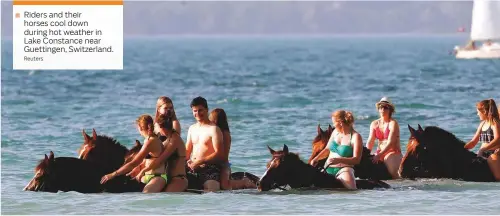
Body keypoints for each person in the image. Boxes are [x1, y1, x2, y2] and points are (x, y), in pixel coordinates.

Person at [101, 114, 167, 193]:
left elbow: (134, 163)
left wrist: (113, 174)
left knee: (146, 199)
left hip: (157, 177)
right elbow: (148, 160)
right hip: (147, 176)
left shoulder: (151, 141)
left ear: (140, 127)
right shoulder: (148, 140)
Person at [129, 114, 188, 192]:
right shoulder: (166, 140)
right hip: (167, 178)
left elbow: (160, 160)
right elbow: (153, 158)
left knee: (167, 197)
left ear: (161, 127)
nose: (155, 130)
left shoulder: (174, 140)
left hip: (178, 178)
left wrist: (143, 171)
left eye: (156, 127)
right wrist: (138, 167)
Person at [310, 110, 363, 189]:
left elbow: (357, 160)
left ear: (340, 123)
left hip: (344, 169)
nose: (333, 125)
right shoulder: (335, 132)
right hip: (327, 168)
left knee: (352, 190)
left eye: (334, 122)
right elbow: (327, 149)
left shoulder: (356, 136)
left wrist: (339, 160)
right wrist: (315, 159)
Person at [208, 108, 256, 190]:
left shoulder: (225, 134)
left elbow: (224, 157)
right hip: (213, 164)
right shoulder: (212, 132)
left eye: (211, 118)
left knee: (225, 185)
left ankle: (244, 182)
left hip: (224, 165)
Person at [185, 96, 224, 191]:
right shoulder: (192, 128)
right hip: (192, 168)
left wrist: (199, 161)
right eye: (194, 111)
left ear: (207, 109)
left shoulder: (214, 129)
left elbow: (219, 154)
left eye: (200, 110)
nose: (197, 113)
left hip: (210, 168)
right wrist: (186, 162)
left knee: (212, 191)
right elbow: (187, 151)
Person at [366, 97, 403, 179]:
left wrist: (379, 155)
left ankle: (400, 186)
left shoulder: (393, 123)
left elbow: (391, 142)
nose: (382, 109)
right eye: (380, 107)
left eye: (385, 107)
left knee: (389, 163)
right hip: (380, 151)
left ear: (390, 110)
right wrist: (366, 154)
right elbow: (370, 141)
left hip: (393, 152)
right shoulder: (374, 124)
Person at [464, 99, 500, 180]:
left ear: (484, 112)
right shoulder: (482, 124)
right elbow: (473, 142)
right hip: (482, 153)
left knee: (497, 177)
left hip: (494, 153)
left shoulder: (495, 123)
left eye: (478, 112)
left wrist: (483, 149)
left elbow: (497, 139)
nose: (477, 114)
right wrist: (462, 147)